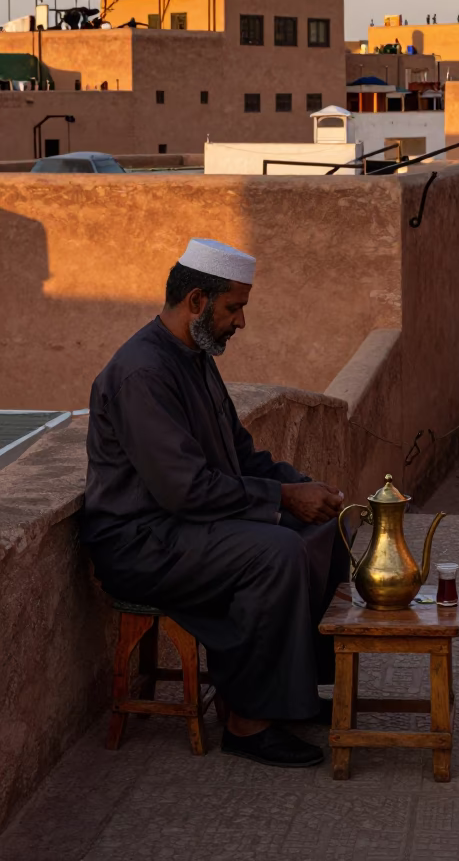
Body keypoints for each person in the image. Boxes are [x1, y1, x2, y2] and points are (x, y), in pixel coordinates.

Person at [82, 238, 350, 770]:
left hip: (188, 528)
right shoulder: (143, 373)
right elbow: (183, 489)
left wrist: (302, 486)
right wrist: (281, 499)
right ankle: (248, 721)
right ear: (198, 301)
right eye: (235, 308)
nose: (241, 322)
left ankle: (288, 692)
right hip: (142, 541)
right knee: (275, 552)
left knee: (322, 531)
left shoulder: (197, 360)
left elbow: (240, 454)